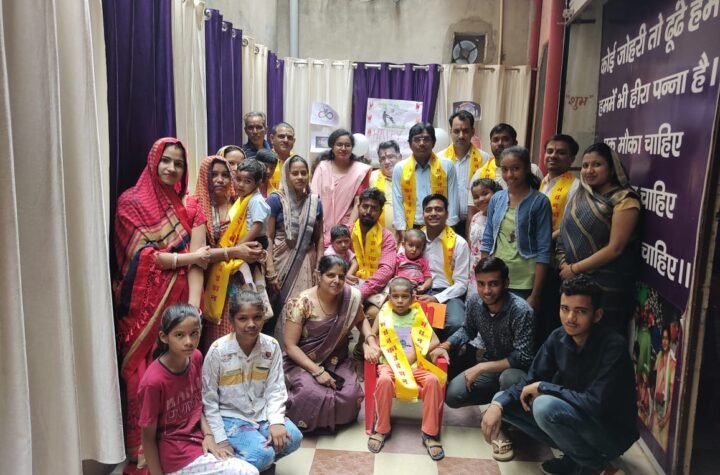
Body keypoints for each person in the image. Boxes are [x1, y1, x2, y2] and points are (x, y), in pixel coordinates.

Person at [114, 137, 211, 469]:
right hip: (145, 308)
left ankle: (181, 440)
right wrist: (185, 258)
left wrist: (194, 309)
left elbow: (199, 260)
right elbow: (142, 259)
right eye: (166, 161)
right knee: (141, 377)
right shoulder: (131, 203)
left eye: (179, 163)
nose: (172, 168)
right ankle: (143, 453)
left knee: (183, 371)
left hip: (182, 304)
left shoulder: (191, 205)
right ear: (153, 162)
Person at [482, 275, 639, 474]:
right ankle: (574, 459)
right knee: (503, 401)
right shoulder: (558, 337)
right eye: (565, 309)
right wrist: (497, 405)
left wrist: (544, 387)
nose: (570, 318)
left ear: (597, 315)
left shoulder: (613, 347)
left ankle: (595, 465)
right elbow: (531, 380)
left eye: (580, 311)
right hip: (577, 417)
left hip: (609, 432)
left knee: (544, 406)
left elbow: (594, 403)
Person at [138, 304, 258, 475]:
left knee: (256, 455)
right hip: (175, 456)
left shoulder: (195, 357)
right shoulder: (153, 382)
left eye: (194, 333)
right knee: (249, 472)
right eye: (179, 335)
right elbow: (148, 438)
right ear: (164, 337)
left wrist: (209, 435)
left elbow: (196, 405)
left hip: (198, 439)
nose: (189, 341)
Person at [438, 257, 533, 461]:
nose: (486, 291)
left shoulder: (521, 310)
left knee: (508, 378)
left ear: (506, 283)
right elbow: (468, 330)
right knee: (453, 395)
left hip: (518, 372)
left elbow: (523, 357)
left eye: (493, 284)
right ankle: (497, 402)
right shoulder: (474, 301)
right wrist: (445, 345)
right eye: (481, 284)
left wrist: (481, 368)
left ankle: (502, 426)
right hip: (492, 366)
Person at [203, 291, 303, 472]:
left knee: (293, 438)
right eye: (243, 318)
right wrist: (221, 439)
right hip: (230, 417)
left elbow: (276, 388)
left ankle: (256, 463)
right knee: (262, 455)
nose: (251, 324)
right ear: (232, 320)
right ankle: (242, 464)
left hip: (261, 413)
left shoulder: (271, 346)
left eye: (257, 317)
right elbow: (209, 400)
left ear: (264, 317)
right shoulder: (218, 351)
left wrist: (276, 422)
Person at [281, 255, 380, 432]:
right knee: (309, 393)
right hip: (303, 361)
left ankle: (329, 419)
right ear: (318, 275)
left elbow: (361, 320)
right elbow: (290, 346)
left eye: (341, 276)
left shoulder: (350, 297)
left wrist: (371, 340)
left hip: (336, 359)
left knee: (350, 395)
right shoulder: (300, 303)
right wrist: (317, 371)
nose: (337, 281)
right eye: (330, 275)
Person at [556, 142, 641, 333]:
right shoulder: (582, 195)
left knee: (601, 338)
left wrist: (574, 269)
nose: (589, 170)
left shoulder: (624, 199)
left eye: (597, 164)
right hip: (573, 283)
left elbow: (615, 248)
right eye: (585, 165)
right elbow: (565, 230)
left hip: (607, 286)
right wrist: (562, 263)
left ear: (612, 168)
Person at [367, 278, 449, 460]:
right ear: (389, 297)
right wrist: (370, 346)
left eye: (404, 296)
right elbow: (372, 335)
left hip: (415, 366)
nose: (400, 301)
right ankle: (382, 429)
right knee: (384, 381)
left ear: (412, 297)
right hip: (389, 365)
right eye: (395, 296)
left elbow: (434, 341)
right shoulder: (384, 314)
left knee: (433, 380)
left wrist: (419, 354)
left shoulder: (417, 314)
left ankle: (430, 433)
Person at [191, 156, 267, 350]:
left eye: (225, 175)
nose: (220, 180)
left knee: (244, 328)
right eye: (214, 174)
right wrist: (235, 251)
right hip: (211, 278)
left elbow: (259, 233)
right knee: (219, 336)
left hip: (238, 278)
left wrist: (260, 251)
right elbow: (198, 253)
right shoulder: (197, 208)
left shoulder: (240, 202)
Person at [481, 146, 552, 313]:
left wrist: (536, 294)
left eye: (515, 169)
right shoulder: (497, 199)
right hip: (497, 277)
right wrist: (484, 277)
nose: (509, 175)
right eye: (504, 169)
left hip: (525, 280)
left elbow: (544, 249)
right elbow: (488, 239)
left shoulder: (540, 202)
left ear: (527, 168)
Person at [204, 159, 273, 325]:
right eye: (238, 179)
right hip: (246, 242)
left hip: (254, 240)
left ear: (258, 183)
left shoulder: (255, 200)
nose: (241, 184)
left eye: (247, 181)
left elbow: (257, 225)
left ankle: (257, 301)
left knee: (244, 269)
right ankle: (261, 303)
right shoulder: (243, 199)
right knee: (253, 271)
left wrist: (239, 245)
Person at [538, 134, 580, 346]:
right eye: (550, 151)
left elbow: (569, 225)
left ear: (571, 159)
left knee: (550, 311)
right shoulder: (543, 181)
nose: (553, 156)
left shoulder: (575, 186)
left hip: (556, 258)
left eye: (561, 153)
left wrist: (544, 240)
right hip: (538, 255)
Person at [265, 155, 323, 309]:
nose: (300, 177)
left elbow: (319, 238)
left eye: (304, 173)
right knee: (279, 306)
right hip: (280, 262)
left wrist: (319, 267)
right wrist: (270, 269)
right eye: (295, 173)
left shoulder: (315, 202)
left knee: (303, 307)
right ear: (286, 175)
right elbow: (268, 237)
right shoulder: (275, 200)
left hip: (307, 261)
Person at [466, 123, 544, 228]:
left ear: (515, 143)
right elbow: (472, 212)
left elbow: (541, 206)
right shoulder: (480, 174)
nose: (500, 143)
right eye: (495, 140)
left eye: (505, 139)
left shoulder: (532, 170)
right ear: (490, 144)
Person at [392, 123, 459, 238]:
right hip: (412, 227)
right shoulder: (400, 168)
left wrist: (450, 230)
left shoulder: (447, 166)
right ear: (410, 144)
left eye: (426, 139)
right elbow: (397, 200)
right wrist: (402, 231)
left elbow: (453, 200)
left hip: (440, 226)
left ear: (433, 142)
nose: (422, 143)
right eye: (417, 139)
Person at [417, 194, 470, 339]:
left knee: (456, 323)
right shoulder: (413, 239)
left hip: (448, 293)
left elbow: (461, 283)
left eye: (438, 209)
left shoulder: (459, 243)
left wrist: (437, 298)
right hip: (419, 290)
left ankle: (445, 352)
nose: (433, 213)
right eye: (428, 210)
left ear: (446, 214)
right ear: (423, 214)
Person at [311, 128, 372, 245]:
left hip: (346, 228)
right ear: (332, 147)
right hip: (320, 226)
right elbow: (313, 198)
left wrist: (347, 229)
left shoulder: (360, 171)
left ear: (352, 148)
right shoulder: (322, 167)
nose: (343, 148)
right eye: (339, 145)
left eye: (347, 145)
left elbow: (358, 202)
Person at [438, 110, 491, 238]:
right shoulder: (440, 159)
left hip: (475, 222)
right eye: (456, 131)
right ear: (450, 132)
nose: (461, 136)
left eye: (465, 131)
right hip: (446, 222)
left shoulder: (484, 159)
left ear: (472, 132)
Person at [351, 188, 398, 319]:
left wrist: (362, 292)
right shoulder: (346, 232)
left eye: (374, 208)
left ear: (380, 212)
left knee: (374, 315)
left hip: (376, 289)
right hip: (348, 285)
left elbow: (386, 270)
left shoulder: (387, 237)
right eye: (365, 206)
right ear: (358, 207)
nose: (368, 211)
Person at [467, 178, 502, 287]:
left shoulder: (501, 218)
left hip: (492, 269)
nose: (481, 199)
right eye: (476, 197)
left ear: (495, 193)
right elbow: (472, 245)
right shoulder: (475, 218)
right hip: (474, 269)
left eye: (485, 194)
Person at [369, 140, 401, 232]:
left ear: (399, 157)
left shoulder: (409, 177)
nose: (386, 162)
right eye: (383, 158)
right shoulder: (372, 177)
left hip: (407, 235)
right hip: (378, 234)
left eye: (390, 157)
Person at [395, 228, 433, 294]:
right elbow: (393, 276)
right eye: (411, 245)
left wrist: (423, 287)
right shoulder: (398, 259)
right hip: (401, 288)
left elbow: (429, 279)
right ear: (403, 244)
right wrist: (403, 281)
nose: (414, 249)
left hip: (418, 288)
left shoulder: (423, 262)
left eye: (418, 247)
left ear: (423, 249)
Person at [269, 122, 296, 190]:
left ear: (293, 141)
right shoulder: (264, 162)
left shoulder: (298, 162)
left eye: (289, 137)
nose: (286, 140)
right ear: (272, 139)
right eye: (281, 136)